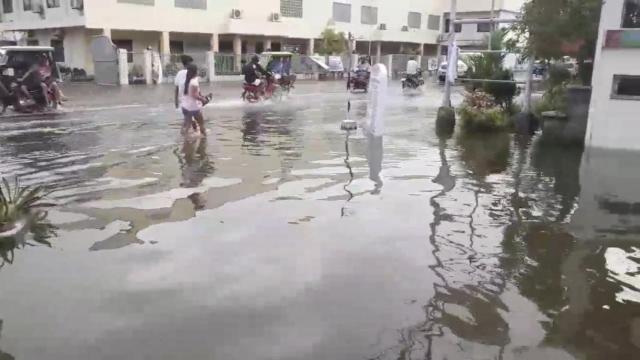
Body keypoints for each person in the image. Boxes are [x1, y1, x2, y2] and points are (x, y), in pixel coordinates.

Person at [180, 64, 208, 137]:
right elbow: (194, 95)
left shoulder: (186, 81)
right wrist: (203, 99)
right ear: (196, 71)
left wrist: (201, 96)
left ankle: (185, 141)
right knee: (201, 124)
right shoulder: (194, 82)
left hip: (185, 107)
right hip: (193, 108)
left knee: (187, 126)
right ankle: (204, 139)